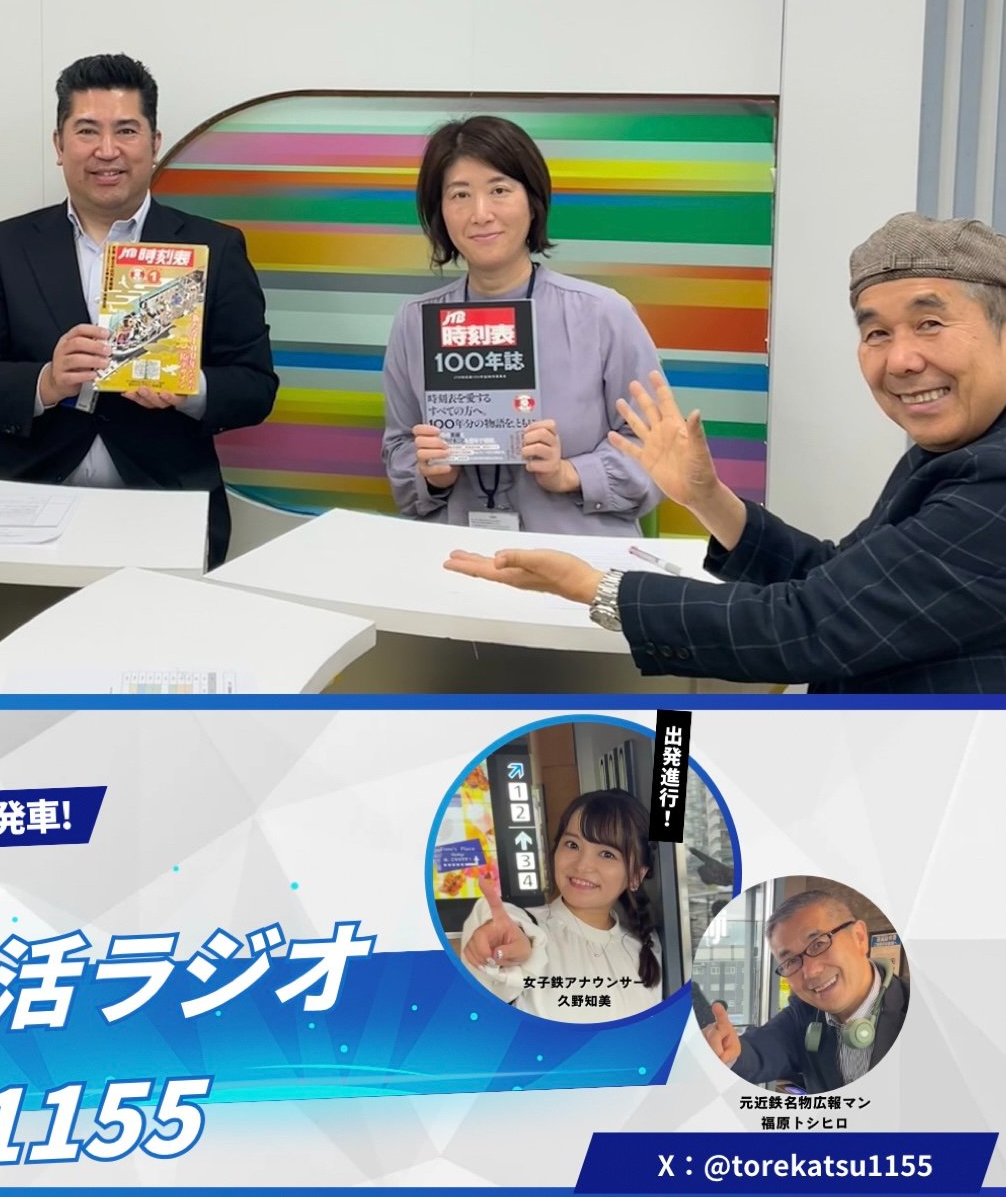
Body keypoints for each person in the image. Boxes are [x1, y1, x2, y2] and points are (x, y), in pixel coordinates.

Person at [446, 213, 1006, 692]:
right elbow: (837, 579)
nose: (901, 360)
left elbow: (810, 625)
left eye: (930, 324)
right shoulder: (949, 451)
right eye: (877, 333)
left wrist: (592, 586)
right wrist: (707, 498)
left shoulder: (993, 480)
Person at [0, 54, 278, 567]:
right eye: (86, 131)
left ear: (154, 143)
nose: (106, 150)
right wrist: (46, 383)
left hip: (166, 498)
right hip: (28, 496)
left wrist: (189, 388)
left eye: (126, 130)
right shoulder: (5, 246)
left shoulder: (216, 248)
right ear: (59, 145)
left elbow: (256, 387)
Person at [382, 115, 661, 534]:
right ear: (440, 212)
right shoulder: (415, 323)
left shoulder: (603, 313)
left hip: (579, 557)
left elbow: (656, 449)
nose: (480, 214)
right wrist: (431, 475)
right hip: (460, 554)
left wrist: (570, 473)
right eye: (460, 195)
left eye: (499, 190)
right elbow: (399, 450)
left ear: (532, 202)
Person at [457, 789, 662, 1022]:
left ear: (636, 875)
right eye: (572, 845)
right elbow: (504, 940)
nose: (582, 865)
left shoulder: (648, 947)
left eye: (607, 854)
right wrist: (504, 945)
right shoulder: (528, 934)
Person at [702, 890, 908, 1092]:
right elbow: (756, 1052)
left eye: (818, 944)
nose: (810, 972)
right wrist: (721, 1048)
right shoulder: (804, 1014)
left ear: (859, 937)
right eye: (791, 961)